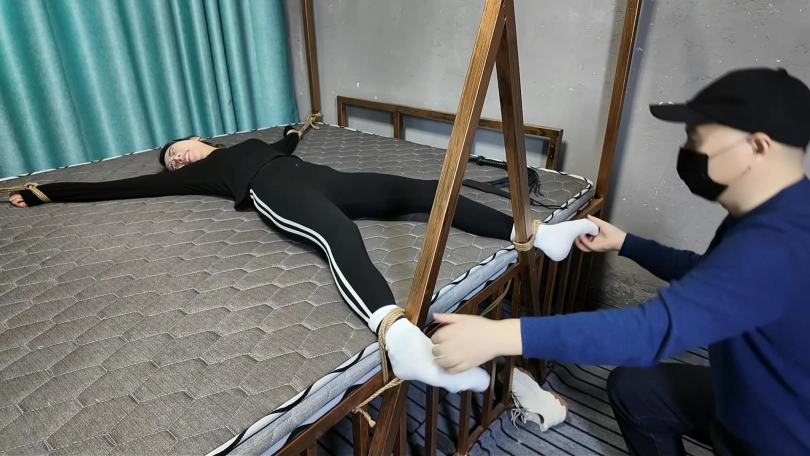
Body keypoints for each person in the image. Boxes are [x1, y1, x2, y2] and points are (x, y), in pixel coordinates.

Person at [3, 122, 599, 394]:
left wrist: (300, 129)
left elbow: (286, 139)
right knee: (338, 234)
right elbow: (124, 187)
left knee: (423, 191)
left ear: (199, 138)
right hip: (276, 191)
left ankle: (533, 234)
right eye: (172, 162)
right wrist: (46, 191)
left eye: (178, 151)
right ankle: (400, 339)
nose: (176, 160)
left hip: (322, 173)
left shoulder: (248, 142)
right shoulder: (205, 172)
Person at [430, 67, 810, 455]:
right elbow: (710, 276)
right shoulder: (776, 213)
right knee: (635, 390)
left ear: (758, 147)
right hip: (748, 388)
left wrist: (499, 336)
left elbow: (648, 333)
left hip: (778, 435)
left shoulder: (778, 245)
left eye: (698, 138)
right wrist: (627, 243)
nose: (688, 148)